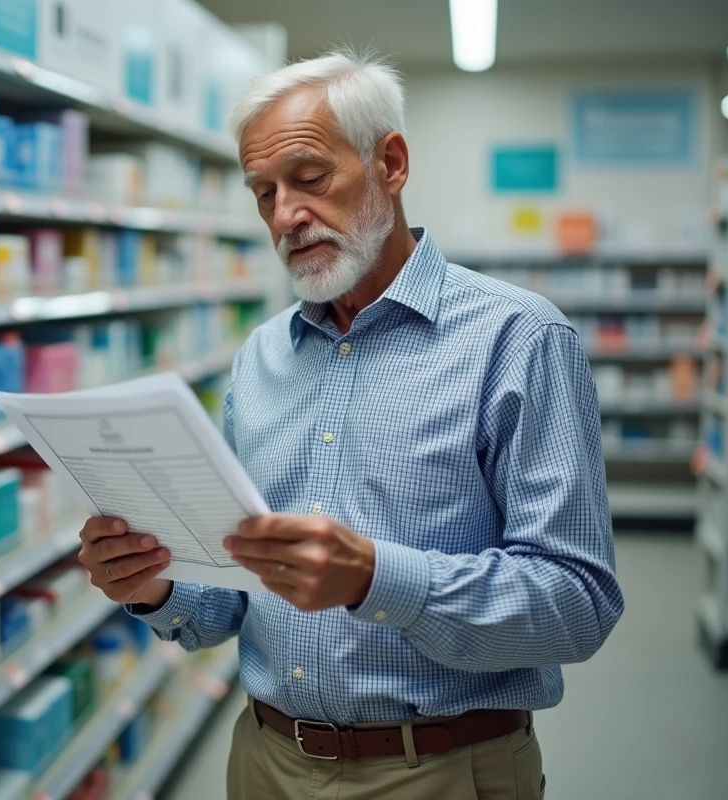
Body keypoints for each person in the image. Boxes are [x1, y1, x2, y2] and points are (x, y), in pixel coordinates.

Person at [78, 46, 624, 800]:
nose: (285, 216)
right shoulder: (261, 360)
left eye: (309, 179)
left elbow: (577, 604)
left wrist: (376, 577)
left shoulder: (518, 340)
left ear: (391, 164)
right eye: (263, 192)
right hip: (265, 760)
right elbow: (231, 598)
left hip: (439, 768)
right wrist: (153, 587)